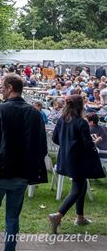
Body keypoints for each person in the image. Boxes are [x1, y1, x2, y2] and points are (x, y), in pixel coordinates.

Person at [0, 73, 48, 251]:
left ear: (9, 88)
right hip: (21, 173)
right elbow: (42, 147)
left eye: (2, 86)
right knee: (12, 218)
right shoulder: (34, 113)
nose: (0, 89)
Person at [48, 95, 105, 234]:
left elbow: (55, 138)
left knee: (82, 184)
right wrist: (96, 141)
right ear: (81, 106)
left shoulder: (62, 119)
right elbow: (87, 145)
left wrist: (68, 144)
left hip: (66, 158)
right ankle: (58, 215)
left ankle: (80, 217)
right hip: (79, 160)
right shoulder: (82, 122)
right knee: (77, 189)